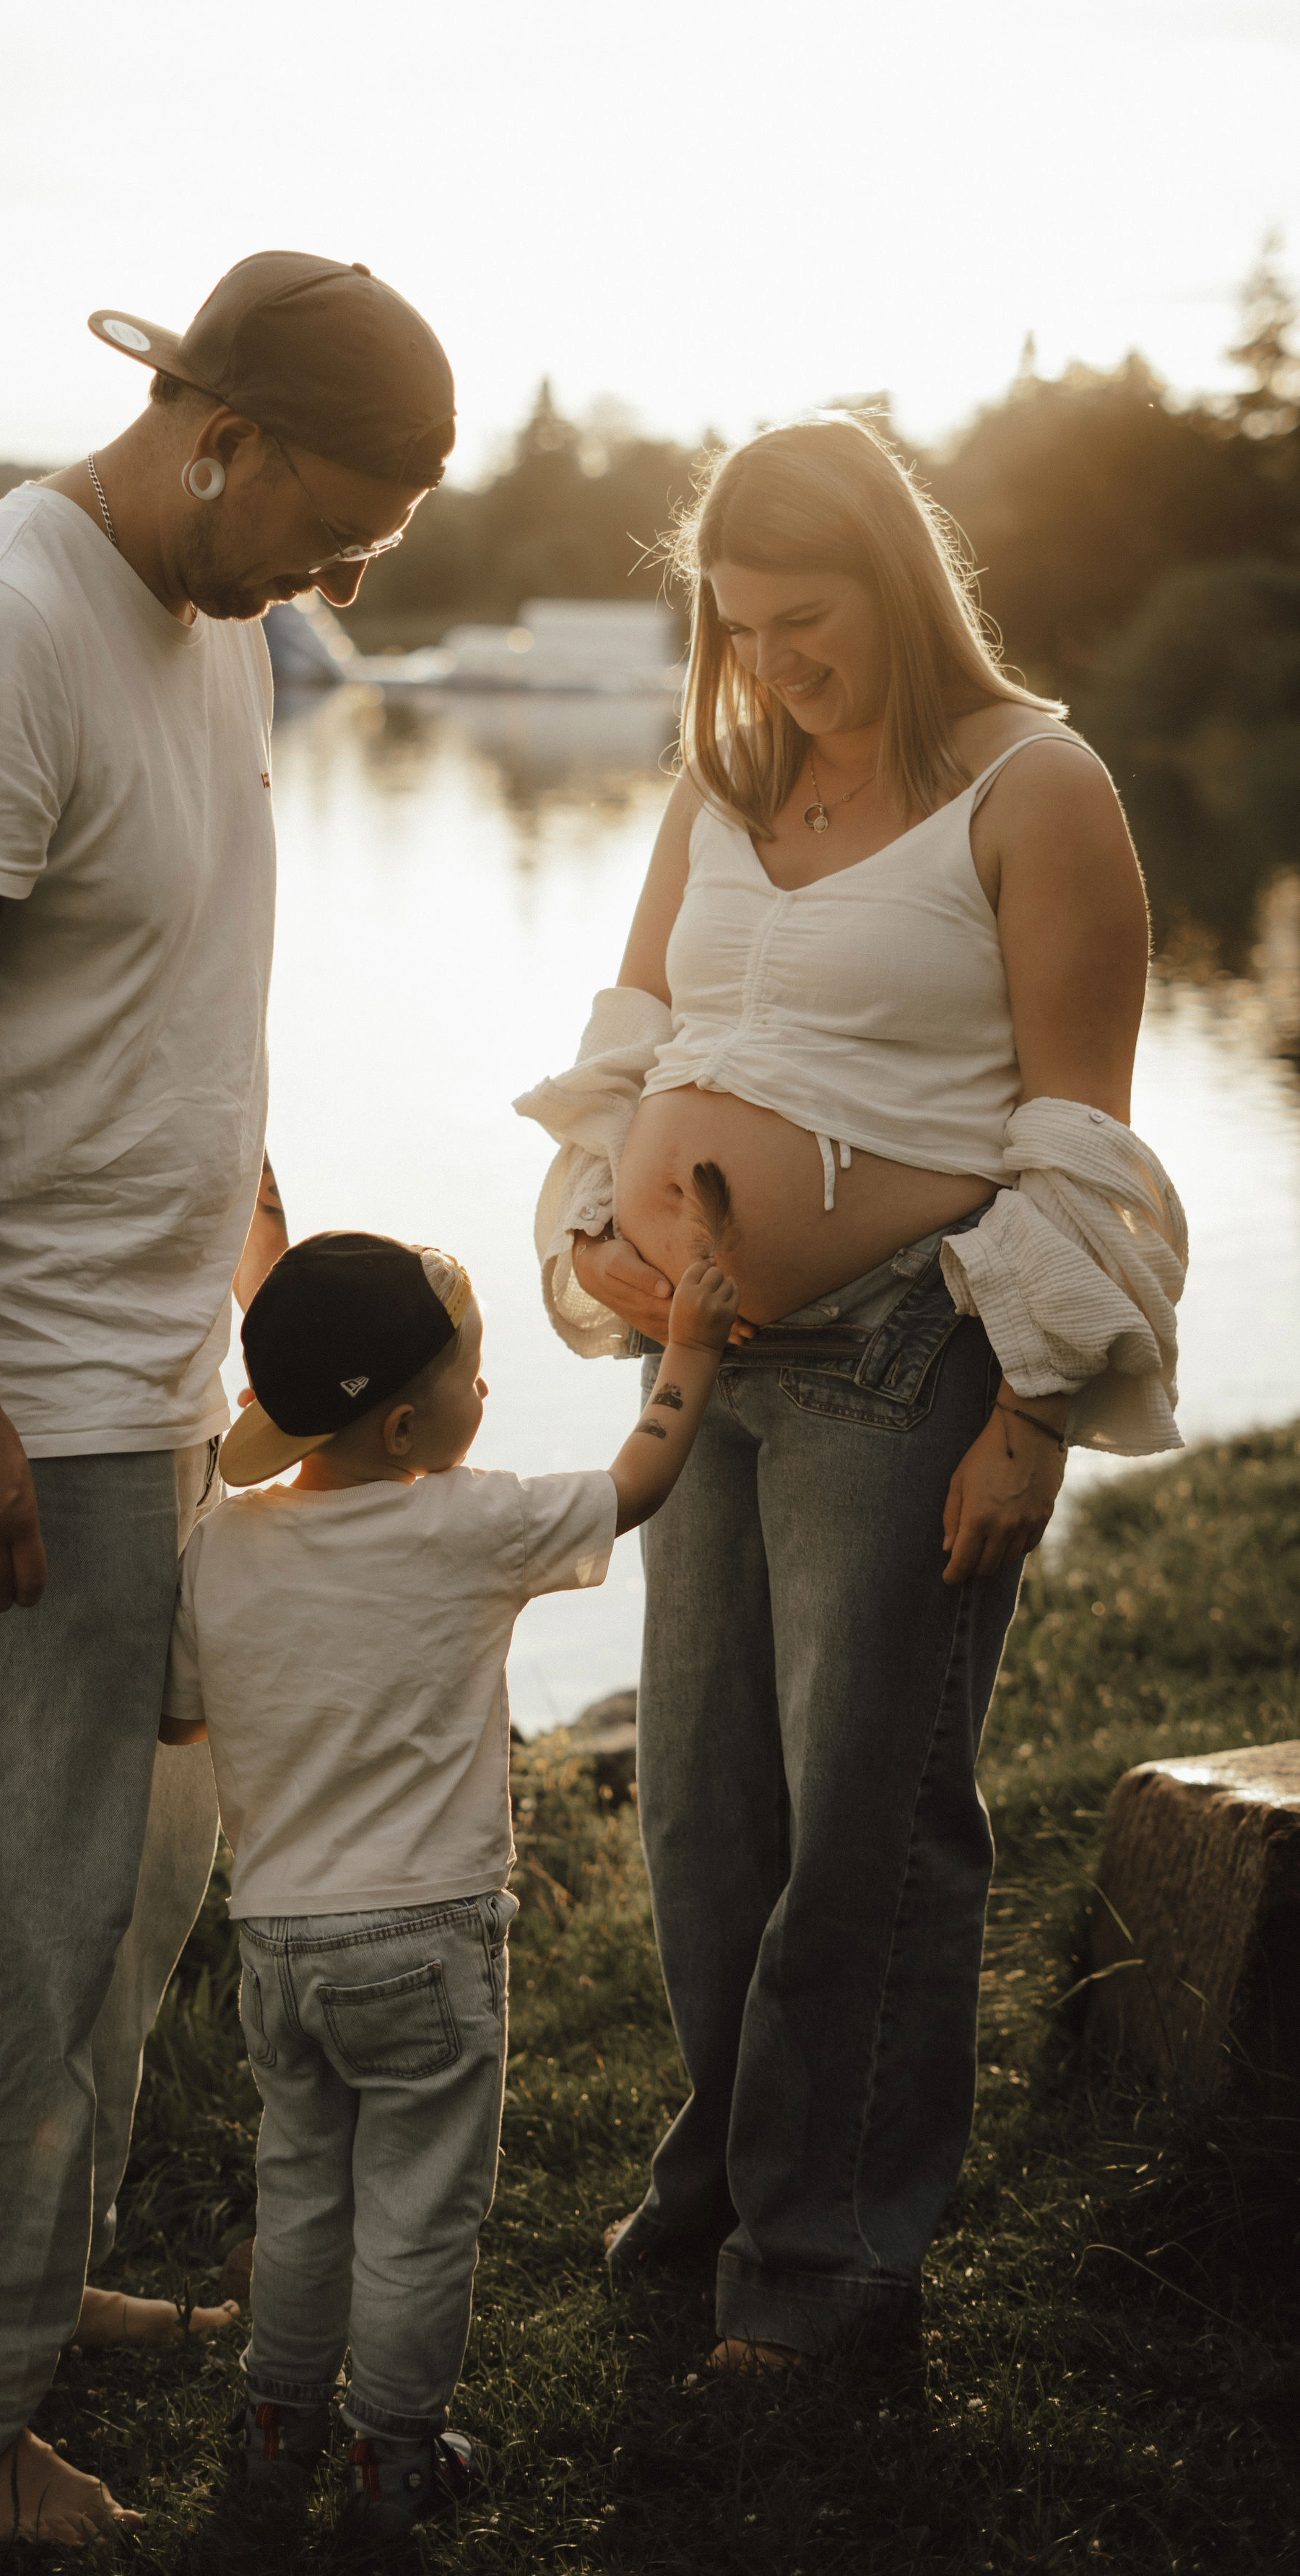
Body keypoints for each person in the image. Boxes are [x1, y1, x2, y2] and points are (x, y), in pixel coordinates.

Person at [0, 252, 456, 2545]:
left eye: (384, 544)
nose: (345, 578)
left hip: (134, 1378)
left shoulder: (217, 625)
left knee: (117, 1896)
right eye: (335, 526)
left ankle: (20, 2288)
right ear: (213, 428)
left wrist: (244, 1238)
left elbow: (168, 973)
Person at [515, 415, 1187, 2372]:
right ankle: (727, 2179)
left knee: (867, 1825)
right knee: (701, 1821)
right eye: (736, 632)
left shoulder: (1033, 789)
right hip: (695, 1358)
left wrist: (1035, 1412)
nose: (773, 668)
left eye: (804, 626)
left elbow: (1077, 1136)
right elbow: (630, 1039)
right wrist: (584, 1239)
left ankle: (828, 2272)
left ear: (895, 587)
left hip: (902, 1357)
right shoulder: (721, 780)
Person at [155, 1228, 739, 2538]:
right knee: (419, 2213)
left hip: (279, 1946)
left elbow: (182, 1720)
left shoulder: (222, 1547)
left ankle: (278, 2427)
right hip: (425, 1934)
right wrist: (687, 1353)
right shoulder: (472, 1522)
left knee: (302, 2186)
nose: (492, 1399)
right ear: (413, 1427)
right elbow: (637, 1482)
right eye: (479, 1380)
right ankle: (394, 2462)